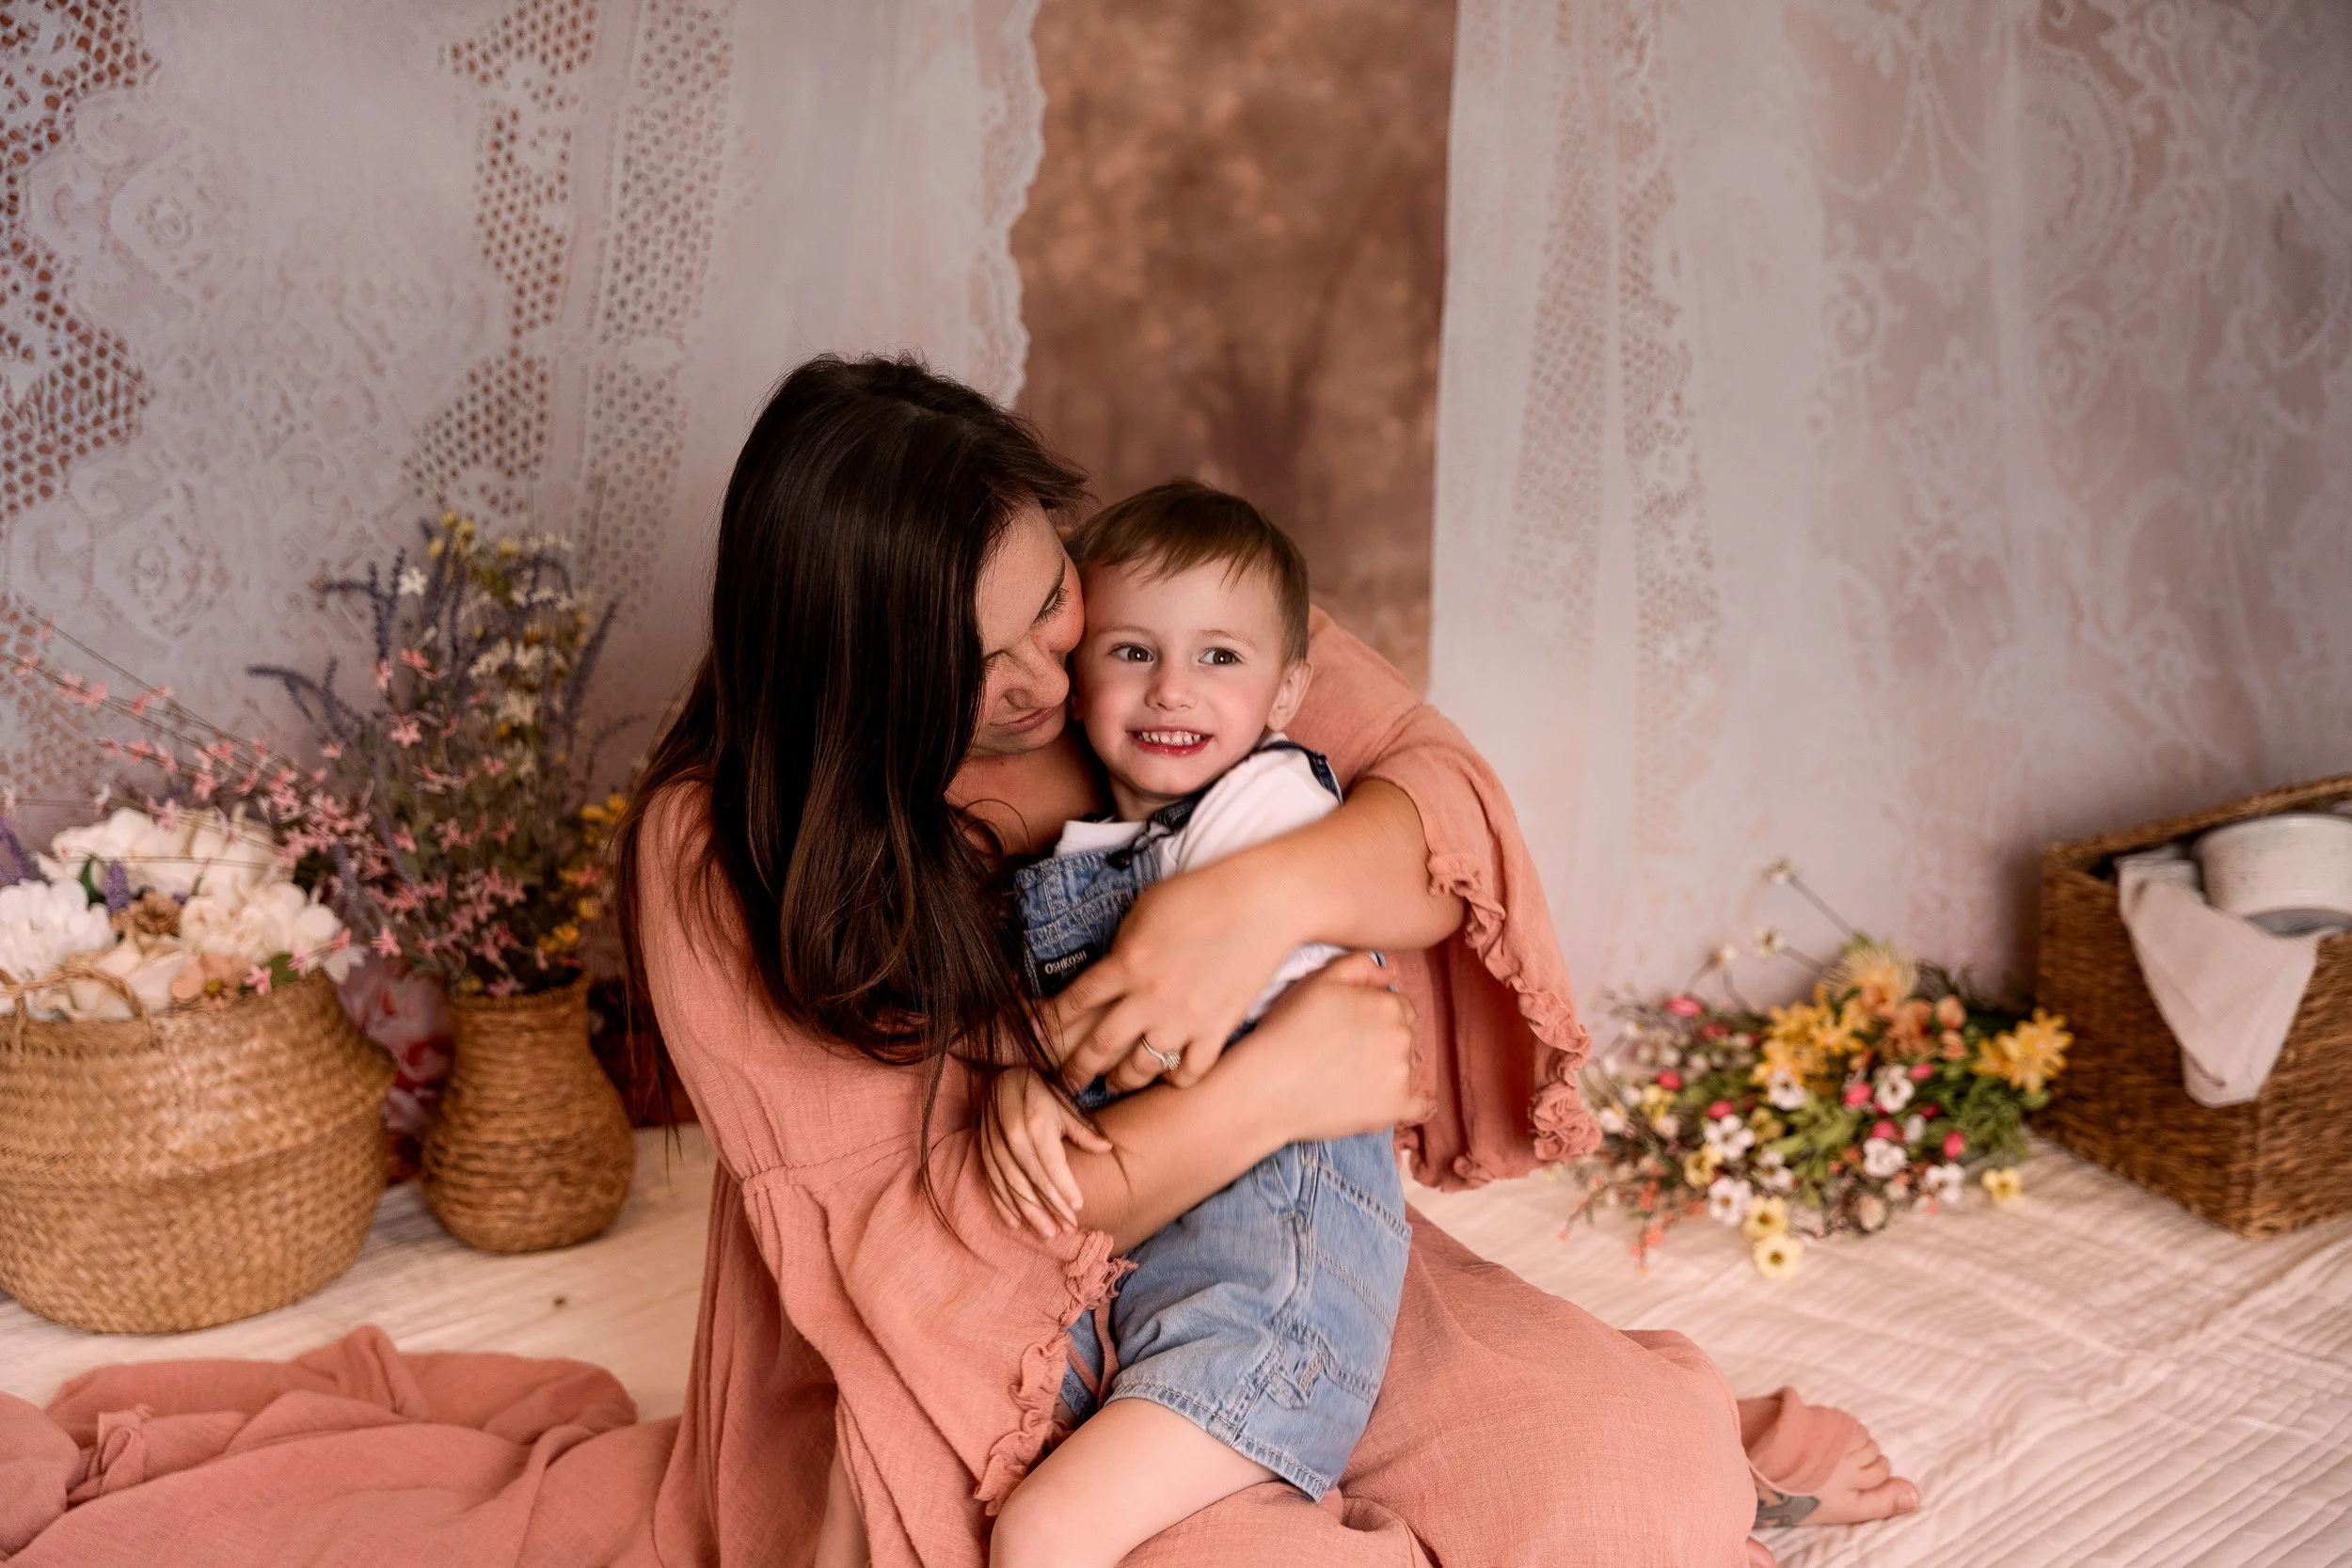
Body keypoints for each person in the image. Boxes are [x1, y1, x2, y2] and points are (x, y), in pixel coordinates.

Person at [615, 352, 1920, 1567]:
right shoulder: (717, 843)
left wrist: (1242, 907)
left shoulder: (1158, 614)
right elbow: (915, 1250)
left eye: (1048, 601)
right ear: (851, 678)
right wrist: (1273, 1086)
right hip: (965, 1355)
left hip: (1254, 1235)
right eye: (972, 664)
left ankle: (1662, 1422)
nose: (1045, 678)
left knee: (1628, 1485)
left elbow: (1441, 790)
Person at [980, 482, 1411, 1568]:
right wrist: (1019, 1072)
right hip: (1152, 1283)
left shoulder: (1265, 811)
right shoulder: (1077, 849)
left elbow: (1151, 1027)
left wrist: (1035, 1071)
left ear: (1285, 692)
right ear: (1076, 674)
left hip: (1274, 1285)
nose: (1173, 687)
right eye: (1131, 650)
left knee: (1042, 1534)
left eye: (1220, 657)